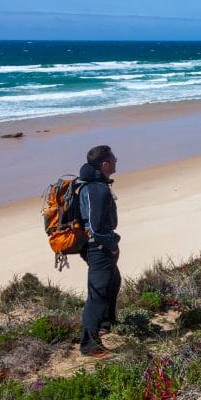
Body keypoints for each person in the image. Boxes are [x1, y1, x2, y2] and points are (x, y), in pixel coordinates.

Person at [78, 145, 121, 357]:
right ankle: (89, 345)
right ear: (105, 164)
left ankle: (105, 325)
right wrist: (111, 242)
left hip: (98, 246)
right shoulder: (96, 188)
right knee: (97, 294)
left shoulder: (97, 185)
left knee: (113, 282)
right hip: (98, 247)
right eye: (113, 159)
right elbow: (94, 227)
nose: (116, 161)